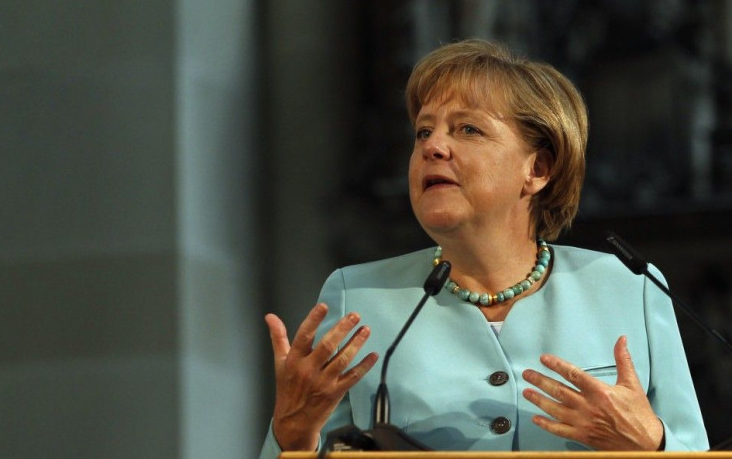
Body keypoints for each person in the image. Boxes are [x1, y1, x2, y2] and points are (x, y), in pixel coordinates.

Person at [258, 39, 709, 458]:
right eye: (423, 133)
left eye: (468, 129)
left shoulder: (628, 288)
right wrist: (291, 434)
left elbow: (695, 450)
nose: (433, 146)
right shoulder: (357, 297)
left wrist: (653, 444)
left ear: (537, 169)